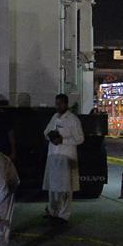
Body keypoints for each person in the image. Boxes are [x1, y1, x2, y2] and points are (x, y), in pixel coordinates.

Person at [43, 93, 85, 223]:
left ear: (66, 104)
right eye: (56, 103)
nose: (58, 106)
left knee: (66, 189)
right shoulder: (55, 117)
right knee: (53, 188)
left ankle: (63, 215)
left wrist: (63, 140)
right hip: (53, 155)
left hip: (66, 157)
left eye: (60, 103)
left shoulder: (73, 119)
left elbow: (80, 139)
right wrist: (51, 136)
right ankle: (52, 211)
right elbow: (45, 132)